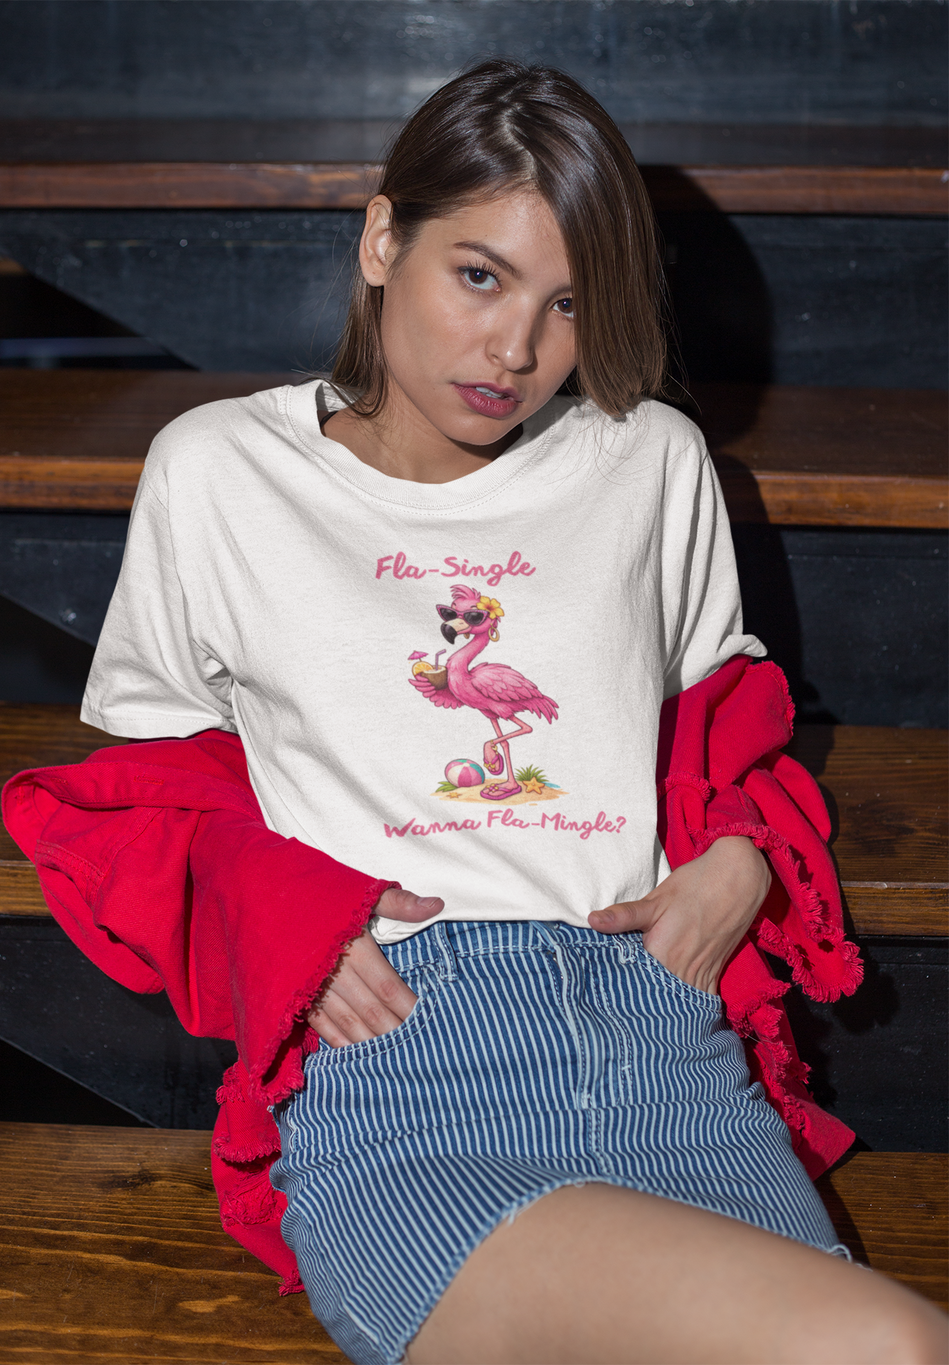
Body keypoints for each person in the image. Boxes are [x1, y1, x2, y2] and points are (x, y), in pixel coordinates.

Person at [76, 60, 946, 1365]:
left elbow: (728, 736)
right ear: (383, 240)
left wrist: (741, 863)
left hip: (663, 1044)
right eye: (477, 276)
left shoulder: (648, 459)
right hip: (410, 1065)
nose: (516, 350)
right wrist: (290, 919)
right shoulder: (222, 472)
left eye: (567, 305)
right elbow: (149, 796)